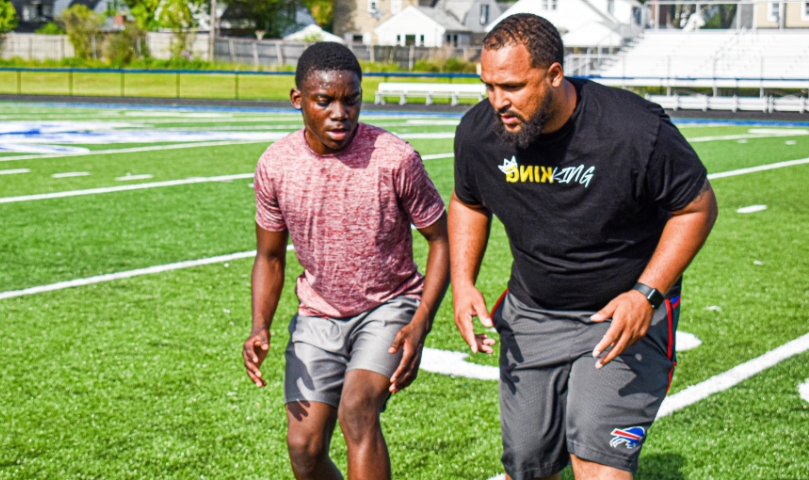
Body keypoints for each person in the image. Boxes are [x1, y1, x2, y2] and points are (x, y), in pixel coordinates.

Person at [449, 14, 718, 480]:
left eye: (512, 86)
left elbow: (697, 208)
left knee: (597, 463)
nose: (497, 102)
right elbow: (467, 201)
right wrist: (463, 281)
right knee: (528, 466)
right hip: (533, 314)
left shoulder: (634, 129)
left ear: (554, 75)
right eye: (488, 86)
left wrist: (645, 294)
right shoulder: (479, 132)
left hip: (621, 315)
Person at [243, 42, 449, 480]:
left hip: (389, 305)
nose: (341, 113)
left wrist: (422, 320)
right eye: (325, 101)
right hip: (318, 314)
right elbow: (270, 256)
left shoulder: (396, 158)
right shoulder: (275, 164)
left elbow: (441, 240)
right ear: (298, 99)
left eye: (351, 100)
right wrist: (260, 324)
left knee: (357, 408)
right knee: (304, 448)